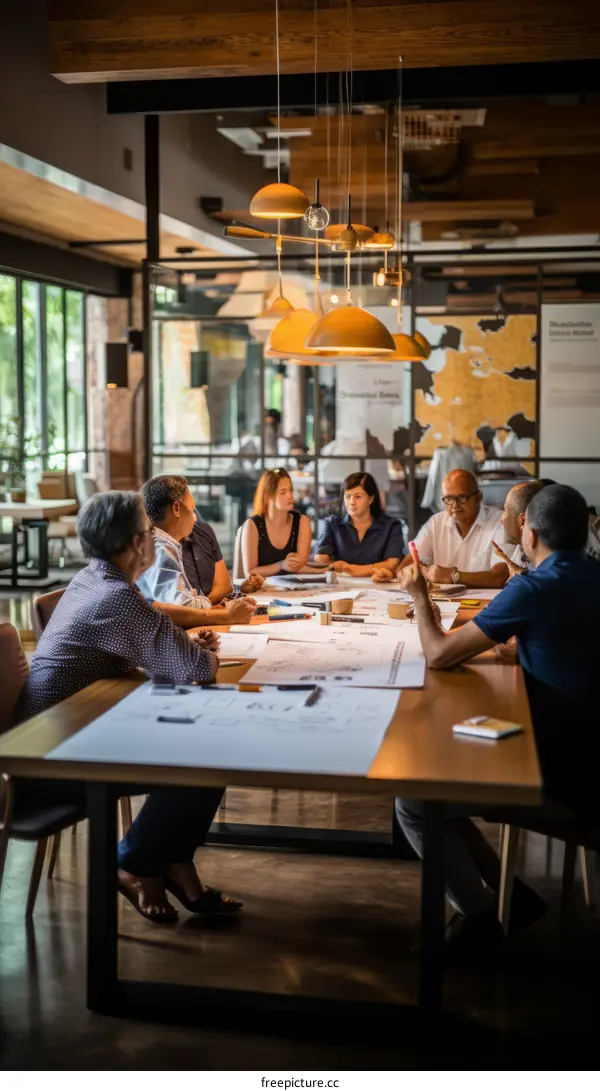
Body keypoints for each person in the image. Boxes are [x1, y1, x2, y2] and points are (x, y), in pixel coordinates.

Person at [16, 491, 242, 924]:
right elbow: (195, 668)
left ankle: (173, 861)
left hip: (71, 732)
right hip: (50, 763)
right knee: (204, 748)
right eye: (149, 531)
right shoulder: (116, 596)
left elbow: (156, 651)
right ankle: (134, 864)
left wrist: (182, 647)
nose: (156, 537)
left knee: (207, 739)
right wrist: (193, 652)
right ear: (138, 543)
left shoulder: (96, 579)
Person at [395, 485, 600, 953]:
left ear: (529, 533)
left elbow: (441, 654)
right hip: (588, 754)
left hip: (568, 779)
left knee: (415, 801)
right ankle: (515, 900)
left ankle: (481, 920)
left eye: (516, 519)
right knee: (443, 794)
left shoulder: (535, 587)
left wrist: (421, 595)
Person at [138, 476, 256, 627]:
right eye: (192, 509)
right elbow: (184, 609)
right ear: (176, 509)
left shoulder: (163, 545)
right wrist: (223, 611)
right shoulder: (161, 550)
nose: (195, 518)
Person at [373, 469, 508, 589]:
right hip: (443, 604)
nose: (454, 505)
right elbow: (408, 563)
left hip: (486, 606)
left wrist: (453, 576)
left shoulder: (500, 523)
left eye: (462, 498)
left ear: (478, 497)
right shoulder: (436, 523)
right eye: (449, 498)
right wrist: (399, 573)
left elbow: (500, 575)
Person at [313, 472, 404, 578]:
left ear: (371, 498)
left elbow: (392, 563)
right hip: (342, 586)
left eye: (358, 497)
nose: (351, 502)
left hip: (379, 585)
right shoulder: (333, 523)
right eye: (347, 496)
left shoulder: (392, 526)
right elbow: (320, 555)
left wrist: (353, 569)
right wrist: (322, 558)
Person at [240, 468, 312, 578]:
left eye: (291, 490)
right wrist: (281, 565)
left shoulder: (302, 522)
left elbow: (300, 566)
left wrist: (328, 569)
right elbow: (250, 573)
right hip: (262, 591)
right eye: (283, 492)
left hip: (295, 590)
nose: (290, 495)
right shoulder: (252, 526)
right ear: (268, 496)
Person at [182, 509, 263, 602]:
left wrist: (240, 590)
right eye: (190, 508)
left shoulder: (204, 531)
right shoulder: (167, 547)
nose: (195, 516)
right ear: (176, 509)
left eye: (194, 510)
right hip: (199, 613)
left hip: (214, 610)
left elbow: (225, 588)